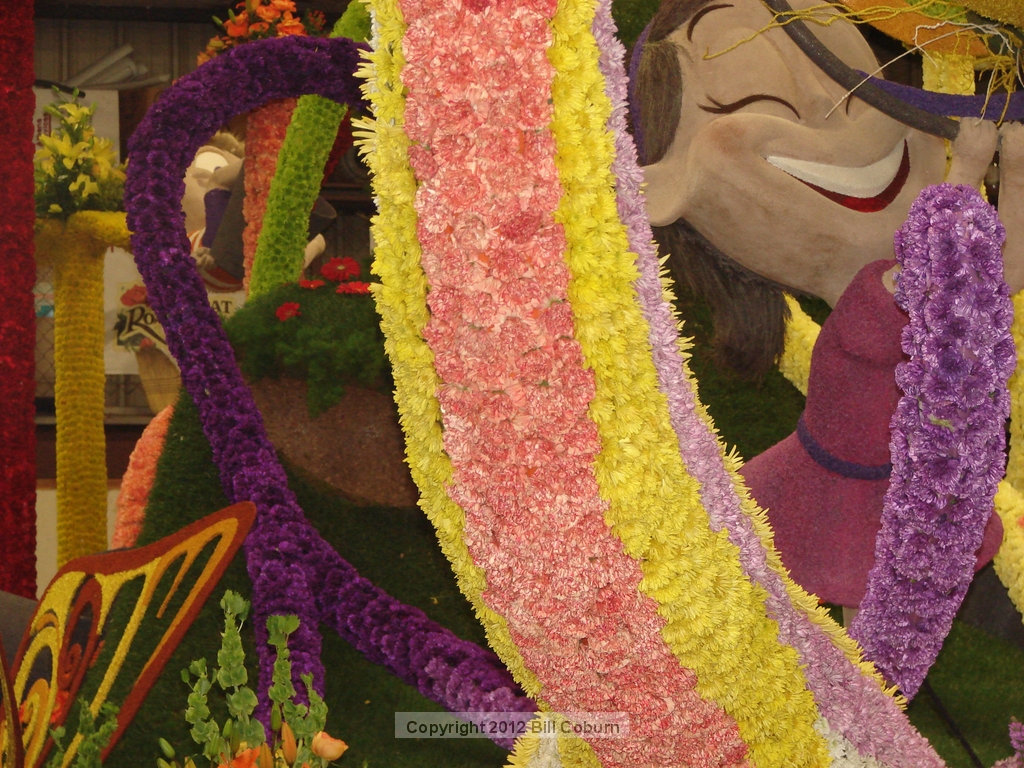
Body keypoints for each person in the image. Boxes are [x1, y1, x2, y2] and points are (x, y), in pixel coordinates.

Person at [632, 0, 1024, 611]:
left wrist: (1016, 171)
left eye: (862, 86)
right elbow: (928, 272)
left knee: (881, 607)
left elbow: (1004, 269)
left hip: (912, 479)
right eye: (762, 101)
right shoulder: (872, 300)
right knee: (855, 598)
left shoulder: (908, 290)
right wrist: (970, 165)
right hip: (848, 487)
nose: (837, 111)